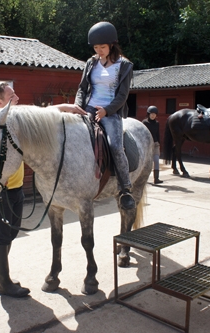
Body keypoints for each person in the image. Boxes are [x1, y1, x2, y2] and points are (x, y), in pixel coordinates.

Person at [74, 21, 136, 210]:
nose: (99, 50)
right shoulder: (91, 63)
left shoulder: (124, 65)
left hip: (111, 112)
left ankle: (125, 188)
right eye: (95, 47)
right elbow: (82, 89)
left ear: (112, 45)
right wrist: (78, 106)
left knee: (116, 145)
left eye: (102, 46)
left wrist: (107, 110)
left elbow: (123, 95)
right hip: (88, 109)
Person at [0, 81, 29, 297]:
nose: (18, 98)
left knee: (11, 233)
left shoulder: (11, 122)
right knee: (1, 236)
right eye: (13, 95)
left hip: (16, 188)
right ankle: (5, 285)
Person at [142, 106, 163, 184]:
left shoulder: (157, 123)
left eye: (154, 114)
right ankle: (143, 178)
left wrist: (159, 143)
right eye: (151, 114)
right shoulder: (144, 122)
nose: (153, 115)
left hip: (155, 144)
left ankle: (156, 179)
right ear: (148, 114)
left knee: (156, 161)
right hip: (147, 144)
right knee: (146, 162)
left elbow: (157, 134)